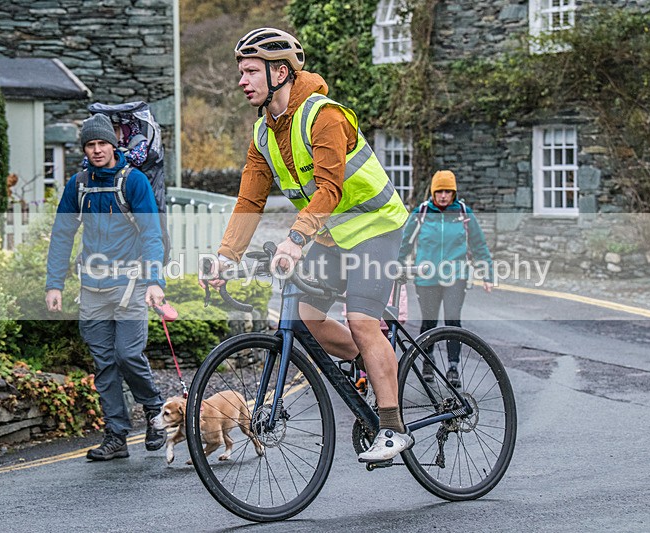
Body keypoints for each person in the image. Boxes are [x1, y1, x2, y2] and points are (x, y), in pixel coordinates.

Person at [205, 27, 412, 462]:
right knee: (304, 316)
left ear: (280, 71)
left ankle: (392, 428)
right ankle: (373, 366)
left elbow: (329, 188)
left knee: (361, 320)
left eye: (250, 72)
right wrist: (226, 256)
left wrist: (296, 238)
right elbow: (249, 200)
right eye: (240, 72)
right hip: (333, 234)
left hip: (376, 226)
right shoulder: (263, 134)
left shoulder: (324, 116)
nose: (242, 81)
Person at [45, 113, 168, 461]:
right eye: (91, 144)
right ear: (84, 148)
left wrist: (155, 281)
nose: (97, 150)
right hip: (92, 289)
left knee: (128, 355)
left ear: (114, 145)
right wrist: (54, 284)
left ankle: (153, 410)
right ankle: (116, 435)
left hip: (129, 285)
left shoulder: (135, 182)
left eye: (102, 143)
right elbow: (62, 235)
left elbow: (151, 234)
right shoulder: (78, 185)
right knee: (104, 365)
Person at [398, 170, 494, 386]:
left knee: (452, 321)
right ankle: (427, 360)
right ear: (432, 192)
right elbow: (405, 244)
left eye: (447, 192)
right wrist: (395, 267)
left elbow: (479, 245)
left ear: (454, 193)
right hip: (427, 277)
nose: (443, 196)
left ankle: (453, 367)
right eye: (439, 191)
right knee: (429, 322)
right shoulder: (421, 213)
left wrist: (487, 274)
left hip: (456, 278)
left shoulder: (463, 213)